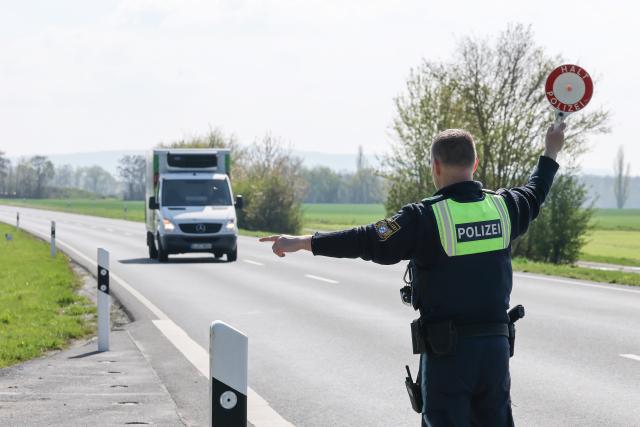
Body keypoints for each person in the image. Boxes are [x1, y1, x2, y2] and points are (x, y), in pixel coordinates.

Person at [260, 122, 566, 426]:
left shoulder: (423, 216)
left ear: (435, 166)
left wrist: (303, 242)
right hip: (495, 353)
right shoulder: (503, 208)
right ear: (474, 163)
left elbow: (367, 238)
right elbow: (535, 191)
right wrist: (550, 151)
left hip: (449, 356)